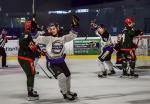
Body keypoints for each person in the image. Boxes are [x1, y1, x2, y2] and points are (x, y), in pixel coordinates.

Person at [34, 15, 79, 101]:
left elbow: (73, 35)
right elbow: (37, 38)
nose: (52, 30)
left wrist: (75, 26)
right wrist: (33, 31)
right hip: (52, 63)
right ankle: (65, 93)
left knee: (68, 76)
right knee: (61, 77)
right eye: (50, 29)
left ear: (57, 28)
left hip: (61, 61)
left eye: (53, 28)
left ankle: (68, 91)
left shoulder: (62, 37)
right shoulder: (48, 38)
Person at [18, 28, 40, 100]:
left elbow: (35, 48)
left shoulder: (33, 39)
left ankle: (31, 90)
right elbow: (21, 42)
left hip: (27, 58)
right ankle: (30, 93)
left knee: (31, 74)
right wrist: (30, 46)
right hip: (25, 58)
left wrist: (39, 51)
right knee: (31, 74)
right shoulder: (27, 34)